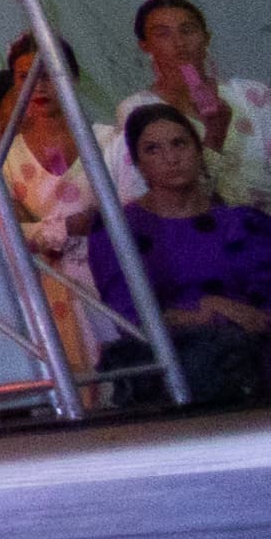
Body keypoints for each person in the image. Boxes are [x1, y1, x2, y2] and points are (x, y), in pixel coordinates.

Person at [90, 101, 271, 408]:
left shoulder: (243, 222)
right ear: (137, 163)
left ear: (198, 151)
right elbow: (131, 317)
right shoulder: (119, 229)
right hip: (170, 360)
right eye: (153, 150)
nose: (171, 158)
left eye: (179, 143)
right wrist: (208, 311)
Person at [0, 41, 111, 358]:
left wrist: (41, 229)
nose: (39, 86)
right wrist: (70, 226)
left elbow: (124, 214)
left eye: (49, 74)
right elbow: (6, 233)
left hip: (109, 279)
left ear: (72, 77)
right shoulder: (0, 159)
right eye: (25, 77)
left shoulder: (110, 141)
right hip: (43, 294)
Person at [128, 0, 268, 204]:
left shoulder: (250, 94)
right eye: (163, 34)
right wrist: (214, 136)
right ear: (145, 46)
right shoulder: (139, 110)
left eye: (188, 30)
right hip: (211, 230)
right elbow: (171, 197)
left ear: (206, 37)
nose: (179, 43)